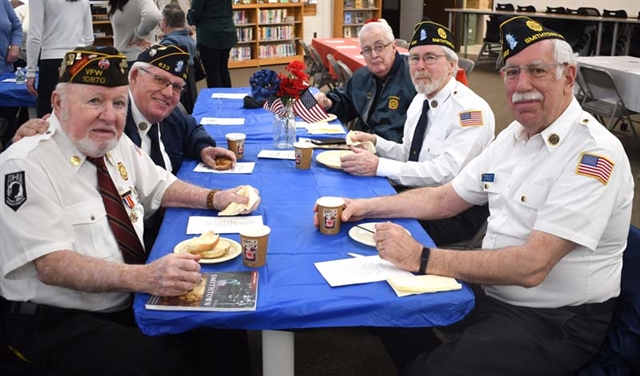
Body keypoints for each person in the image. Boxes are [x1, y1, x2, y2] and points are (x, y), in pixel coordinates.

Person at [316, 16, 634, 375]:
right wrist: (363, 207)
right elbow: (445, 197)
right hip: (493, 290)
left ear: (569, 77)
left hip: (553, 319)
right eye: (512, 72)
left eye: (537, 71)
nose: (522, 85)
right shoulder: (514, 136)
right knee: (387, 308)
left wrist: (422, 258)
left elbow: (533, 266)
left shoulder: (592, 154)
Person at [0, 45, 257, 375]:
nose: (109, 115)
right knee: (161, 362)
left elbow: (162, 186)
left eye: (118, 103)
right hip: (56, 316)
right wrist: (147, 278)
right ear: (58, 103)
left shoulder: (114, 143)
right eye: (94, 101)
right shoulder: (24, 165)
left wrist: (216, 198)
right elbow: (52, 265)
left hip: (125, 296)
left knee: (221, 329)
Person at [341, 21, 495, 246]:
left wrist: (378, 166)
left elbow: (445, 173)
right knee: (353, 212)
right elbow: (410, 153)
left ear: (452, 65)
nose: (420, 66)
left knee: (370, 232)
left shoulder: (470, 112)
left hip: (454, 214)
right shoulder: (420, 99)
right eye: (414, 58)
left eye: (430, 58)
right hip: (418, 196)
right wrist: (377, 142)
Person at [314, 19, 416, 143]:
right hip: (360, 144)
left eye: (379, 47)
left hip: (391, 155)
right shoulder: (362, 75)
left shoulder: (414, 79)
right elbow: (347, 102)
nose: (374, 55)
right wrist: (329, 103)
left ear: (394, 47)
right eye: (367, 50)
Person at [26, 0, 94, 118]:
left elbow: (35, 36)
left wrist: (31, 71)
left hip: (52, 59)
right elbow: (89, 37)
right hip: (79, 60)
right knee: (79, 114)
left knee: (48, 116)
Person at [188, 0, 237, 88]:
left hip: (210, 35)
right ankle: (228, 97)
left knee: (212, 72)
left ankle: (216, 99)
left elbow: (195, 14)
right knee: (223, 69)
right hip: (227, 30)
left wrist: (189, 16)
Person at [159, 3, 198, 113]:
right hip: (190, 85)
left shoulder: (168, 44)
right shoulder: (189, 39)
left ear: (165, 22)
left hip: (176, 89)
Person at [108, 0, 161, 67]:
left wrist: (139, 36)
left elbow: (153, 15)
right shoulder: (118, 3)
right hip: (124, 60)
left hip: (138, 60)